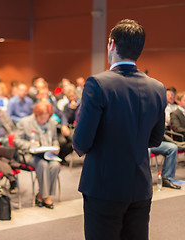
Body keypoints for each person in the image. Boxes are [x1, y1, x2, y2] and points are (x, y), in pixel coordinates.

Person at [73, 19, 166, 240]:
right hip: (140, 186)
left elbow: (82, 141)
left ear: (112, 44)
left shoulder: (98, 83)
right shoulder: (157, 88)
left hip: (104, 186)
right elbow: (155, 138)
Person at [14, 101, 60, 209]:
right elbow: (17, 140)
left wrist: (56, 147)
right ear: (36, 114)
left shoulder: (52, 123)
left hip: (47, 154)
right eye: (41, 118)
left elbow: (55, 140)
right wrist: (29, 144)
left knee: (55, 166)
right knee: (43, 165)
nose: (44, 120)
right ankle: (46, 197)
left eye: (46, 118)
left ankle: (41, 195)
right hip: (29, 154)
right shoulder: (25, 122)